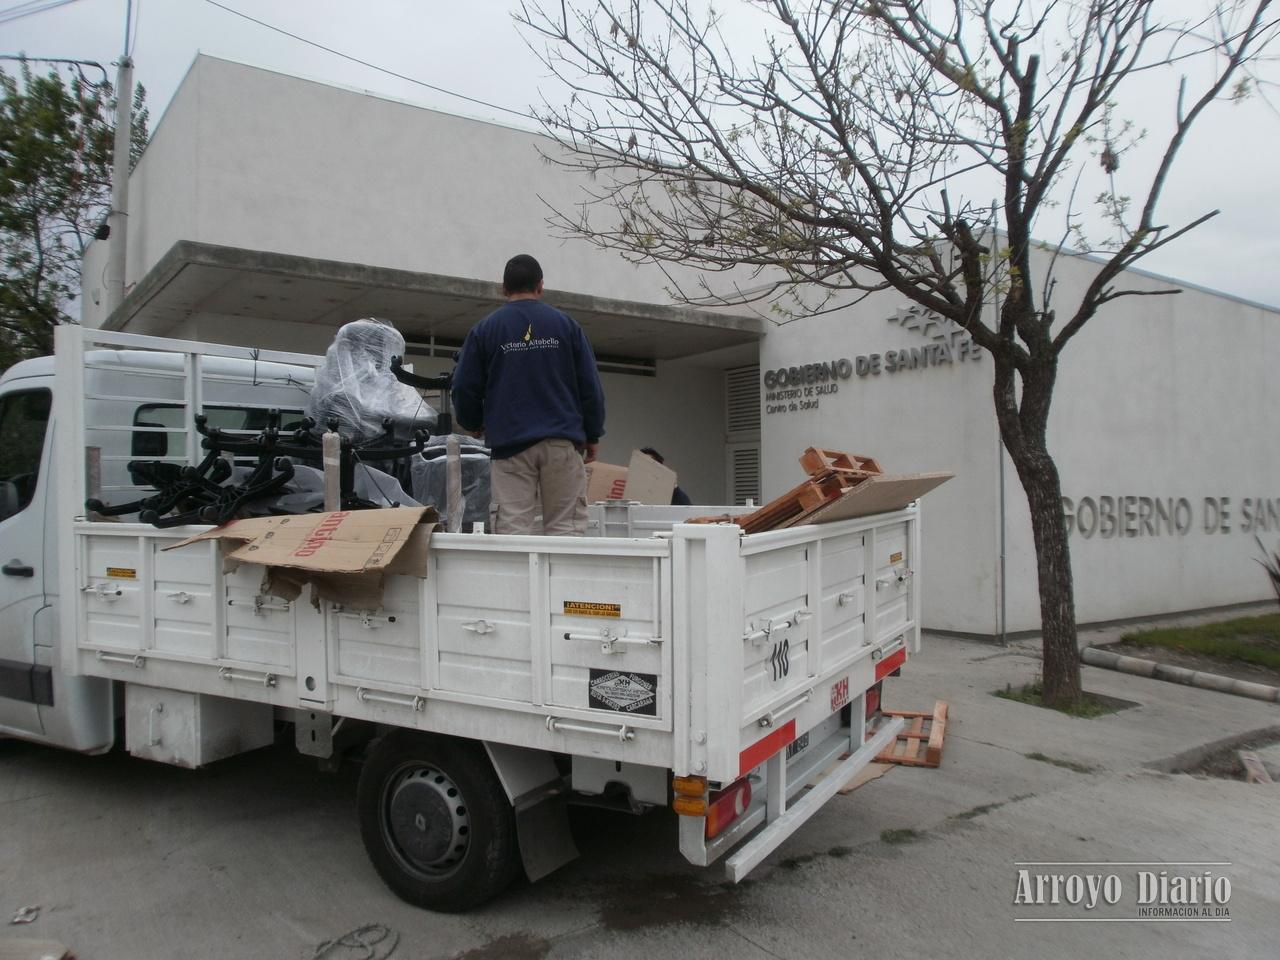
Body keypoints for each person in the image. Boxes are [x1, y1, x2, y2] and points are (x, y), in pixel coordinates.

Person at [452, 254, 606, 535]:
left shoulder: (485, 330)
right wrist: (593, 433)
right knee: (566, 528)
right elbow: (590, 385)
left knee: (513, 530)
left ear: (503, 288)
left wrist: (474, 422)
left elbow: (463, 386)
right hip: (561, 442)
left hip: (511, 446)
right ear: (541, 285)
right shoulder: (567, 326)